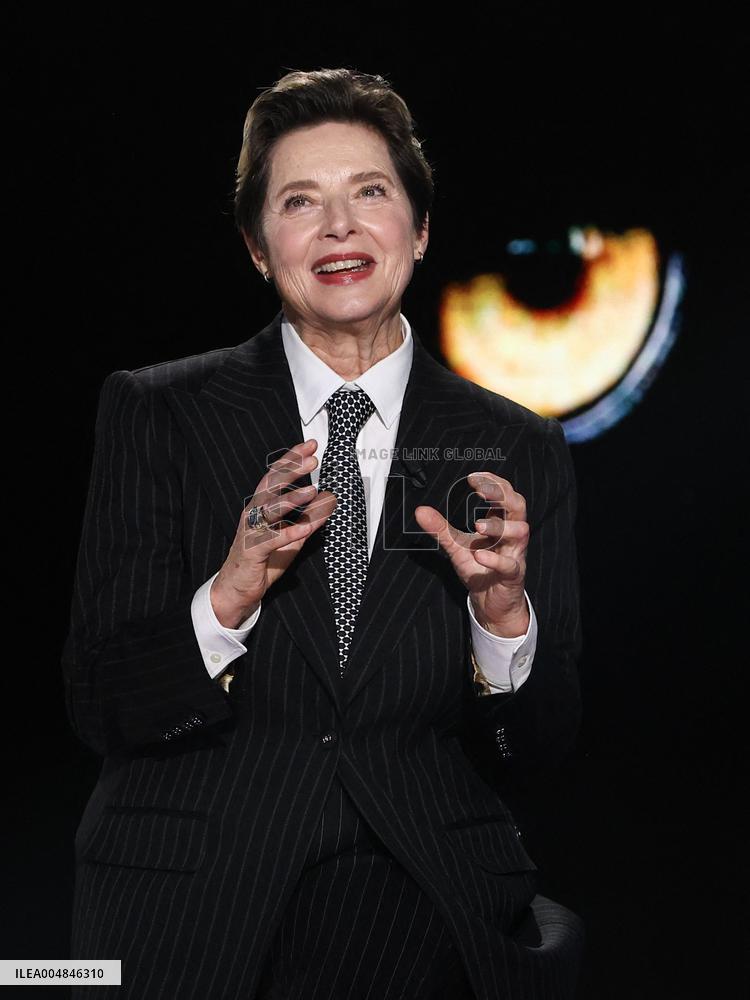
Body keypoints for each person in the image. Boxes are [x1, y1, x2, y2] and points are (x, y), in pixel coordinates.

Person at [63, 68, 582, 1000]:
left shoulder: (517, 445)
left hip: (424, 903)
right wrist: (229, 593)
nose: (339, 226)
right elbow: (100, 704)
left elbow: (542, 751)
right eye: (300, 201)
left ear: (419, 231)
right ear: (261, 249)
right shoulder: (157, 411)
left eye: (370, 193)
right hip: (193, 902)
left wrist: (502, 621)